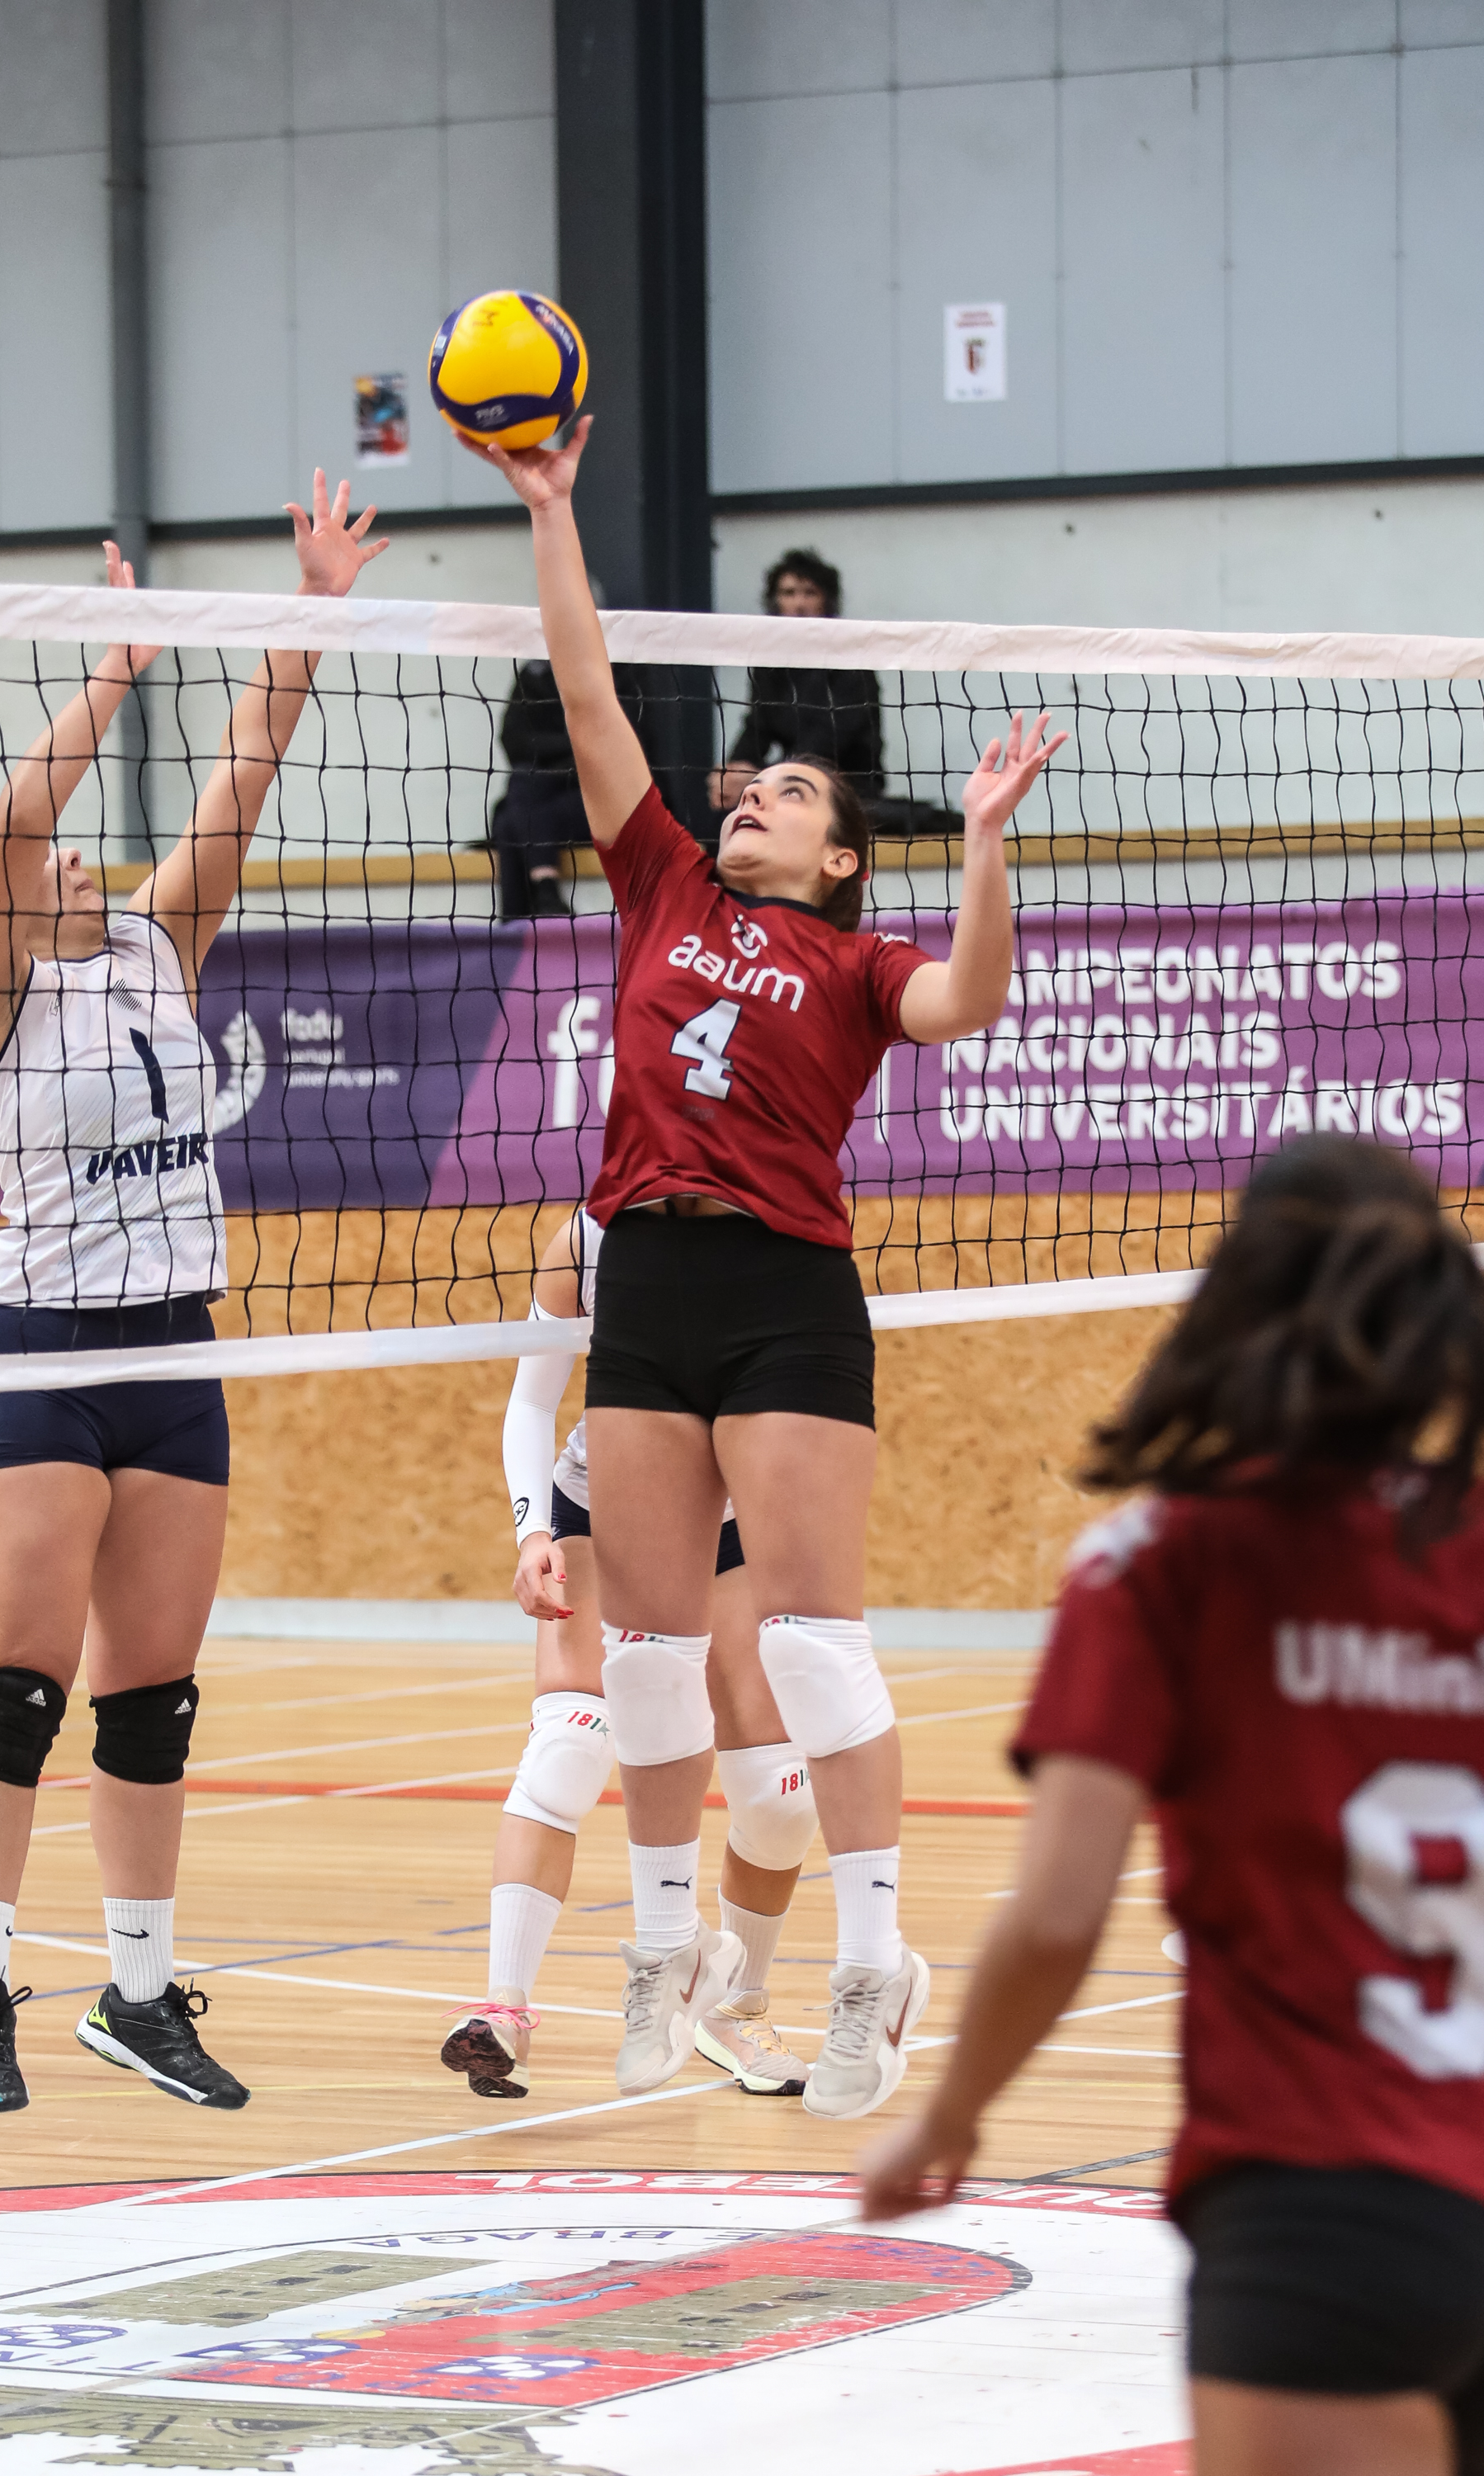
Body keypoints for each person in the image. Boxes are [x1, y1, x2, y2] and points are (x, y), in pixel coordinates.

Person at [470, 412, 1062, 2118]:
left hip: (786, 1293)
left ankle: (870, 1958)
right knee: (648, 1655)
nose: (750, 801)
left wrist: (980, 853)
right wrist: (554, 510)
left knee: (803, 1644)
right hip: (645, 1287)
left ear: (837, 854)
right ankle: (666, 1947)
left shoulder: (868, 960)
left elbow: (970, 1003)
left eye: (788, 794)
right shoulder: (657, 886)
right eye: (748, 786)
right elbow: (586, 698)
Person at [0, 483, 386, 2116]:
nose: (81, 861)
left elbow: (244, 780)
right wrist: (109, 668)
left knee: (152, 1703)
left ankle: (137, 1997)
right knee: (19, 1688)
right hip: (41, 1364)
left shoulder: (154, 949)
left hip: (174, 1360)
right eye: (45, 866)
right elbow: (16, 831)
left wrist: (305, 612)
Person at [863, 1134, 1484, 2476]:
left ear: (1234, 1299)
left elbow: (1054, 1916)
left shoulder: (1160, 1559)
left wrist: (949, 2116)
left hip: (1324, 2213)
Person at [442, 1203, 820, 2100]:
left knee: (776, 1798)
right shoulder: (586, 1238)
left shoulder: (781, 1212)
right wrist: (530, 1530)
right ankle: (503, 2010)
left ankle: (736, 2006)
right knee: (570, 1744)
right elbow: (533, 1399)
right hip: (599, 1507)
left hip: (728, 1521)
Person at [707, 550, 882, 816]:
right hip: (788, 784)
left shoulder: (851, 663)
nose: (799, 604)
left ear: (827, 601)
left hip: (848, 788)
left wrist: (761, 777)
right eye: (789, 593)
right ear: (775, 601)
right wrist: (734, 770)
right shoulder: (771, 664)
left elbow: (827, 741)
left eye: (809, 593)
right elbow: (758, 727)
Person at [489, 659, 648, 921]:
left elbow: (616, 745)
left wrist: (557, 759)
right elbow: (514, 740)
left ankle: (516, 931)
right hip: (545, 793)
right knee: (517, 801)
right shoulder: (534, 674)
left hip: (600, 801)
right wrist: (574, 751)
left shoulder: (617, 673)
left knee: (512, 817)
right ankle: (545, 894)